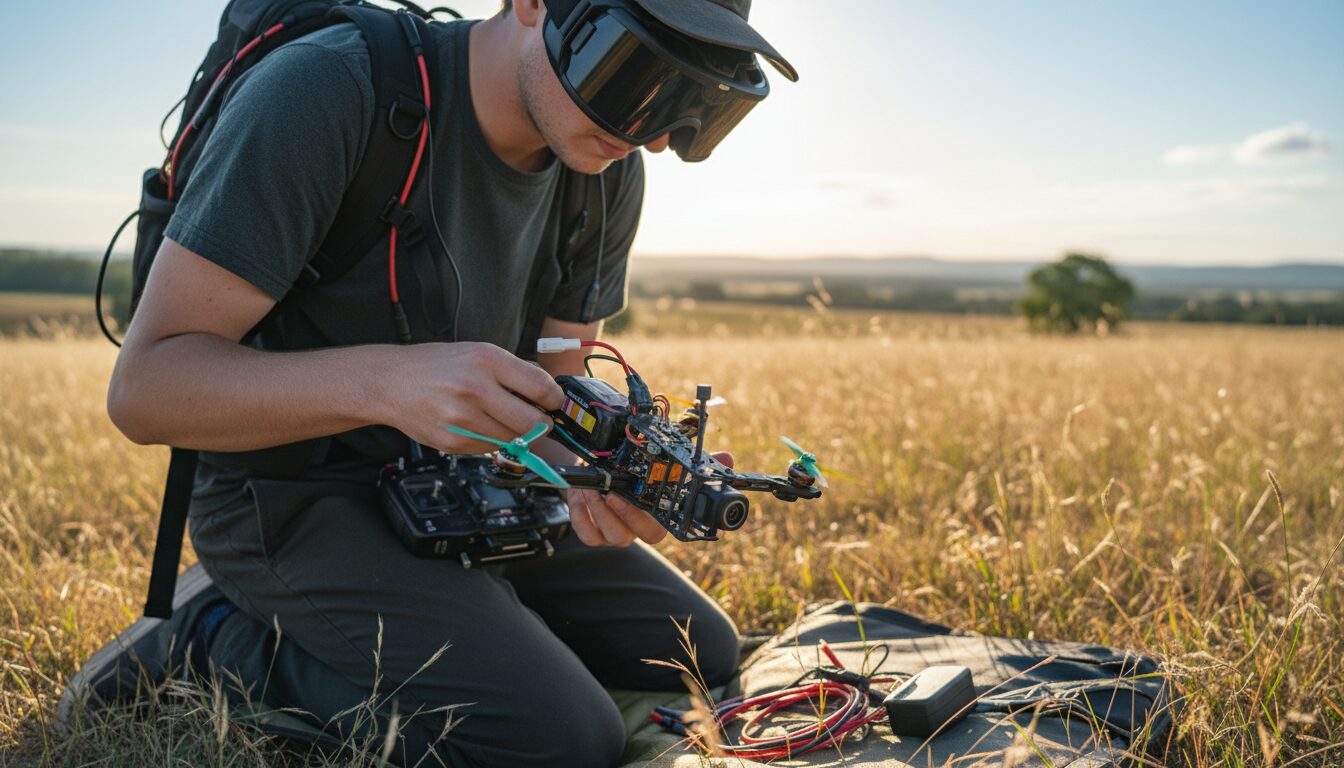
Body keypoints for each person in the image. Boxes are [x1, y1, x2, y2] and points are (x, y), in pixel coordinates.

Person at [64, 0, 796, 765]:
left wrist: (606, 467)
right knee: (556, 741)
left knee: (695, 651)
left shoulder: (603, 168)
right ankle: (211, 641)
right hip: (289, 491)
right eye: (634, 72)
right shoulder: (330, 90)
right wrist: (385, 383)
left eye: (691, 103)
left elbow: (561, 374)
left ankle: (467, 621)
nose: (648, 132)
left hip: (471, 484)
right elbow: (145, 389)